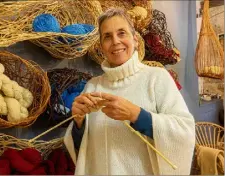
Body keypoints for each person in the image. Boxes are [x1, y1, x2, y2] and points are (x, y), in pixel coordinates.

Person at [64, 8, 195, 175]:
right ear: (102, 46)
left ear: (135, 40)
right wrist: (79, 122)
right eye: (107, 36)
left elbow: (185, 131)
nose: (115, 41)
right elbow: (82, 150)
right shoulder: (92, 86)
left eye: (122, 33)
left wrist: (137, 115)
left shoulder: (156, 78)